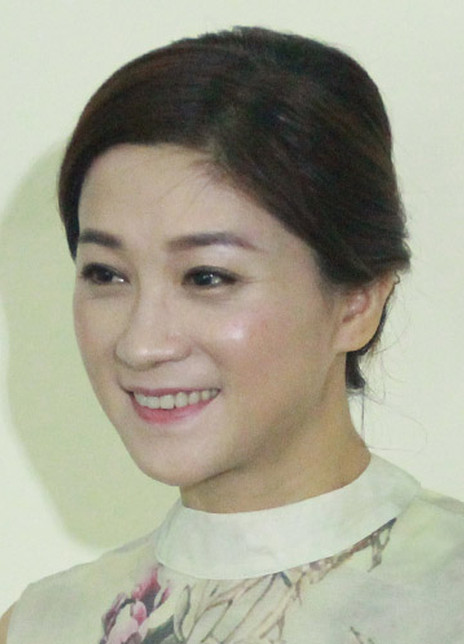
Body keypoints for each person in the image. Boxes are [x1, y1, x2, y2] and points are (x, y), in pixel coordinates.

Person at [2, 26, 463, 643]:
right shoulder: (45, 626)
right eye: (106, 274)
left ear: (357, 302)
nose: (141, 344)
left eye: (207, 277)